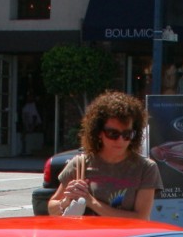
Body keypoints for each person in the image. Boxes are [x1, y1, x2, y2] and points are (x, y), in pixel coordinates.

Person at [48, 91, 161, 219]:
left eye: (127, 134)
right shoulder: (80, 165)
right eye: (113, 134)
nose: (120, 140)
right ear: (98, 133)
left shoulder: (146, 168)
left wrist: (91, 201)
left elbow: (140, 218)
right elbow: (52, 208)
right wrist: (66, 201)